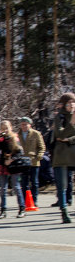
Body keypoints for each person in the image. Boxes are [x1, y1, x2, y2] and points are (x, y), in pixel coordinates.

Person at [52, 92, 75, 224]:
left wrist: (69, 139)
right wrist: (71, 122)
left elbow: (67, 137)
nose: (71, 105)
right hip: (61, 155)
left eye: (73, 102)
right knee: (62, 185)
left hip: (73, 152)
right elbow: (59, 134)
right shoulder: (59, 117)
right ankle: (64, 211)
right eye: (69, 103)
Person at [0, 120, 26, 219]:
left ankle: (22, 208)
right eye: (3, 128)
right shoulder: (1, 139)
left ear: (10, 128)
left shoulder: (14, 138)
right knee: (3, 188)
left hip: (13, 164)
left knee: (16, 186)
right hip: (3, 164)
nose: (5, 130)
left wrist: (11, 159)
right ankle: (3, 210)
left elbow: (20, 152)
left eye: (6, 128)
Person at [17, 117, 45, 206]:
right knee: (24, 182)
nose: (24, 126)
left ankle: (34, 200)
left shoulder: (36, 134)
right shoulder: (18, 135)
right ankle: (25, 201)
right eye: (22, 124)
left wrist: (39, 155)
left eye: (25, 124)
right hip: (23, 162)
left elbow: (42, 147)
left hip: (33, 161)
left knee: (34, 182)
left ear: (30, 125)